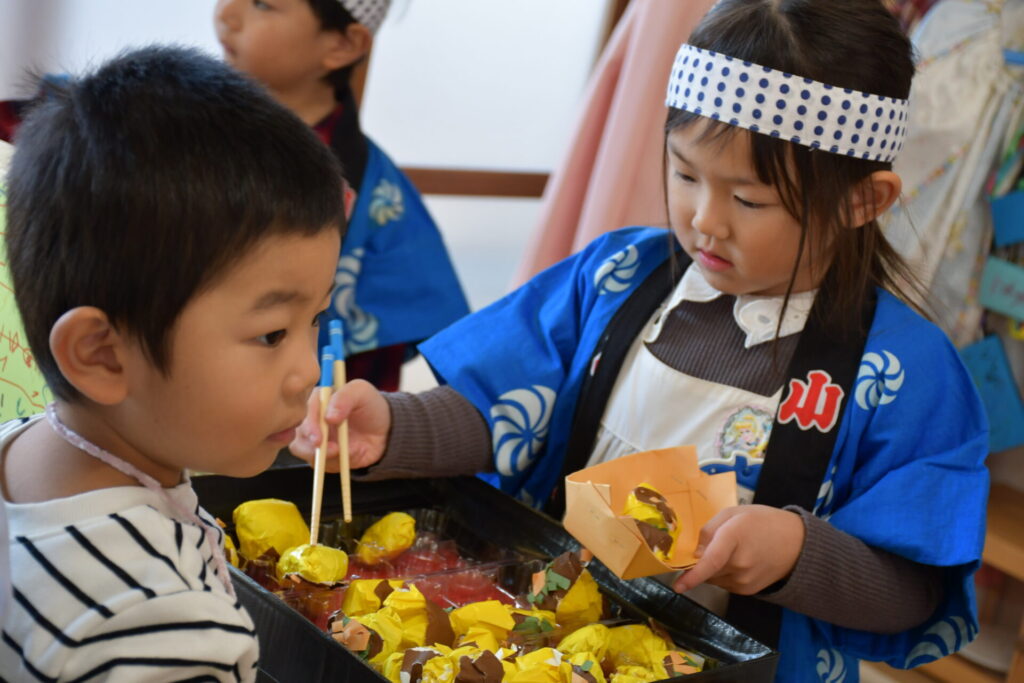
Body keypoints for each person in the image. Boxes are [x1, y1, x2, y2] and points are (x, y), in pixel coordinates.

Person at [290, 1, 990, 679]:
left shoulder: (904, 370)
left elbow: (913, 589)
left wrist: (795, 552)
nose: (705, 219)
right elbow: (504, 405)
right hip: (543, 645)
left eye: (749, 199)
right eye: (685, 174)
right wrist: (395, 425)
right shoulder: (617, 274)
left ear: (863, 200)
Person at [0, 45, 345, 680]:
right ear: (102, 356)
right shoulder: (159, 627)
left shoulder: (20, 451)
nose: (308, 372)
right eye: (272, 334)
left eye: (315, 320)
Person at [214, 0, 470, 391]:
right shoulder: (187, 141)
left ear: (343, 45)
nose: (227, 14)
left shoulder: (379, 196)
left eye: (263, 4)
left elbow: (367, 370)